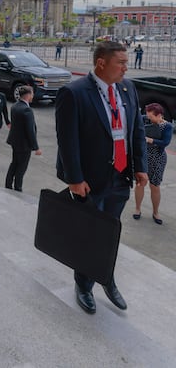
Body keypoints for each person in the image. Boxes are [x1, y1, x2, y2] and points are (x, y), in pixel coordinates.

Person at [55, 40, 147, 314]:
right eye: (121, 62)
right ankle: (83, 285)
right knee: (89, 234)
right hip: (90, 181)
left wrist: (140, 166)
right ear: (101, 63)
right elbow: (67, 141)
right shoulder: (74, 93)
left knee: (111, 232)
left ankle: (106, 277)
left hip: (120, 176)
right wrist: (74, 178)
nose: (125, 67)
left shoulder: (128, 88)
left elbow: (137, 130)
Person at [133, 102, 172, 225]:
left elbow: (165, 142)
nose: (148, 118)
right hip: (143, 156)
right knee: (140, 183)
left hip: (158, 158)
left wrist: (150, 140)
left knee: (155, 186)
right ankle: (137, 208)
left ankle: (156, 212)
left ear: (159, 115)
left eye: (151, 116)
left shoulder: (167, 126)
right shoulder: (144, 120)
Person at [4, 85, 41, 191]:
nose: (33, 95)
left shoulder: (15, 106)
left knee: (14, 163)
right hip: (24, 144)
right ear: (28, 95)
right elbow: (30, 131)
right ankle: (18, 187)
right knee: (21, 167)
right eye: (32, 93)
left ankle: (8, 184)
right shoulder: (27, 110)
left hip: (15, 141)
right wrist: (36, 147)